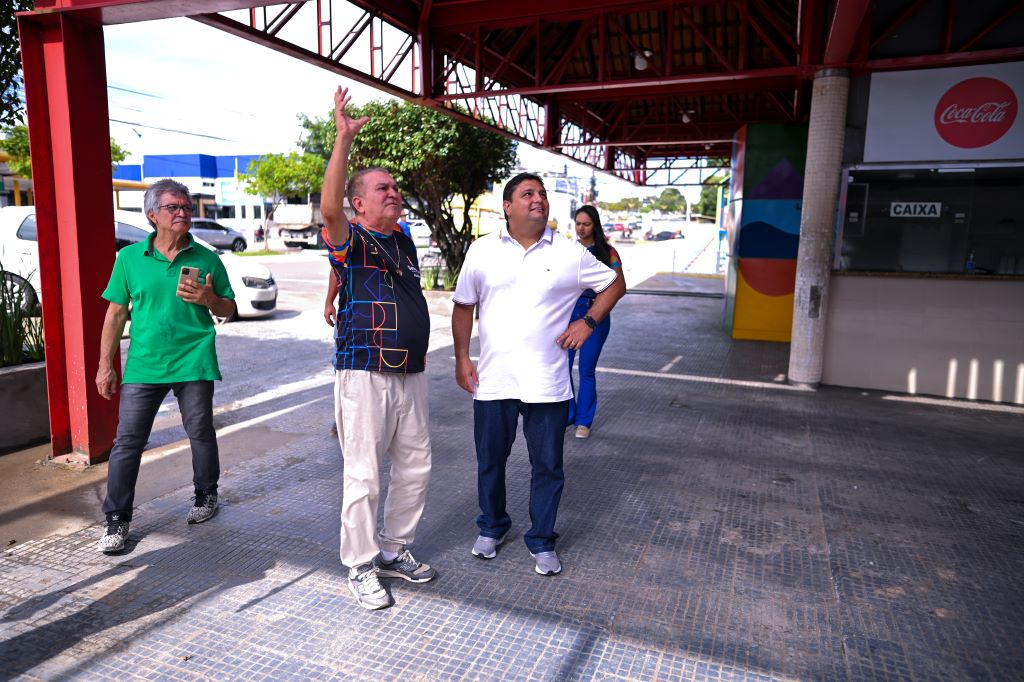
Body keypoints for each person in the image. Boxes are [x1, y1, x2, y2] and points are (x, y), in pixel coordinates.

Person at [452, 172, 626, 576]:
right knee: (490, 460)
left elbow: (615, 284)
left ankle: (543, 540)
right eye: (528, 194)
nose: (539, 200)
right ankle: (492, 526)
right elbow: (463, 305)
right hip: (493, 380)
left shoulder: (569, 252)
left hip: (548, 383)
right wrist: (463, 358)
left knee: (548, 465)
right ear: (507, 206)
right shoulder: (481, 251)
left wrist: (589, 321)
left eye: (543, 194)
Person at [320, 85, 436, 610]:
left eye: (395, 188)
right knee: (363, 474)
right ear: (359, 203)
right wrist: (343, 139)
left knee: (416, 467)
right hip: (364, 371)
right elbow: (328, 212)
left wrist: (330, 294)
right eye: (381, 189)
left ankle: (394, 550)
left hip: (410, 372)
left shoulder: (403, 239)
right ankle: (361, 565)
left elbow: (341, 277)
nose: (393, 192)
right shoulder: (352, 237)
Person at [95, 178, 237, 554]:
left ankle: (206, 495)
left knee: (200, 431)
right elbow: (115, 313)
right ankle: (117, 518)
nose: (182, 213)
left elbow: (229, 308)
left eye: (187, 207)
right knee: (127, 442)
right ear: (152, 214)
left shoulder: (207, 258)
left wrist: (209, 298)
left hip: (194, 358)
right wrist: (104, 366)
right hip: (145, 363)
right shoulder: (128, 259)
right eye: (173, 207)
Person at [567, 206, 623, 439]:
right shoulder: (568, 250)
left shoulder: (608, 253)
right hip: (568, 314)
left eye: (586, 224)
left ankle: (584, 421)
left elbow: (618, 286)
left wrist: (596, 311)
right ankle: (567, 415)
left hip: (595, 315)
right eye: (578, 223)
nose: (581, 228)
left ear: (595, 226)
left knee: (587, 369)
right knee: (562, 367)